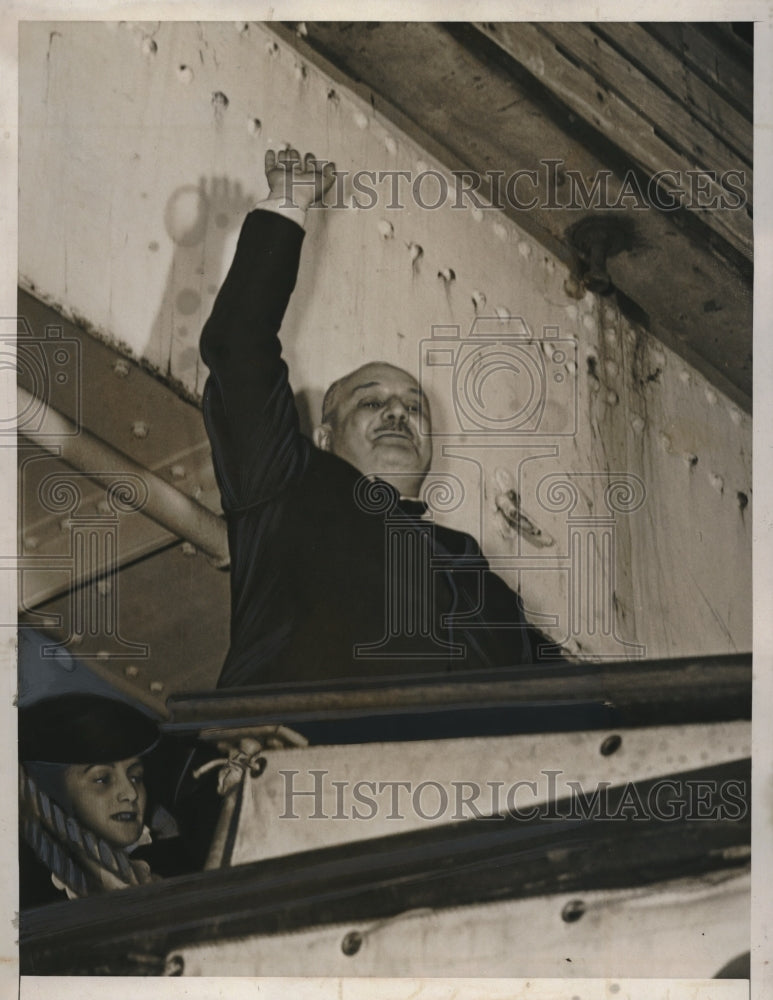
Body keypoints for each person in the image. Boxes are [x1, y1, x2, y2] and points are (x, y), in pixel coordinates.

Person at [200, 148, 557, 689]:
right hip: (306, 765)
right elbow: (237, 344)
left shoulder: (474, 570)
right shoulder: (286, 489)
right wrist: (288, 203)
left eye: (415, 407)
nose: (398, 412)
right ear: (323, 435)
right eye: (371, 401)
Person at [19, 693, 171, 905]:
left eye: (136, 777)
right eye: (102, 780)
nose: (131, 793)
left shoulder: (171, 860)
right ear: (53, 793)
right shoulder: (30, 896)